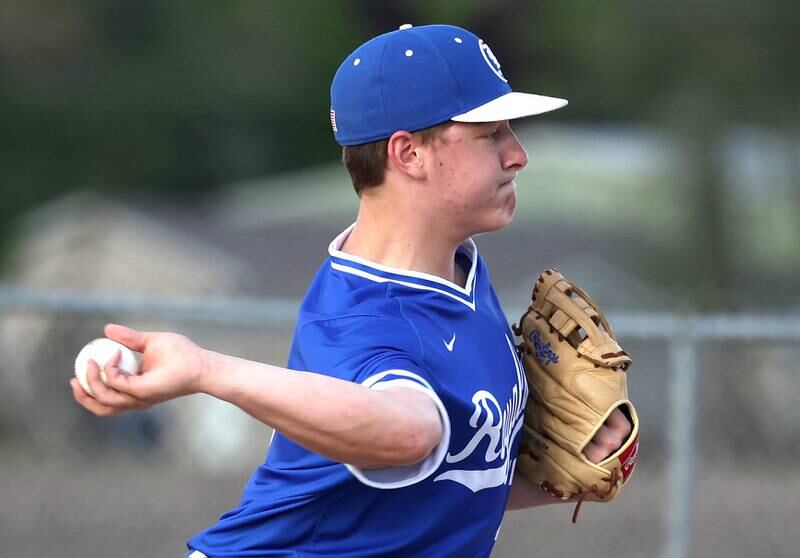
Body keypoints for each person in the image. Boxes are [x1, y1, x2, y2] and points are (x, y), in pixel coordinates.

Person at [71, 24, 632, 558]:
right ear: (407, 154)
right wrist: (205, 370)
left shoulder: (459, 272)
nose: (518, 154)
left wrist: (559, 474)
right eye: (490, 135)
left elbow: (438, 487)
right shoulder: (358, 318)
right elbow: (409, 433)